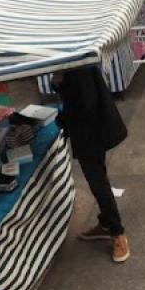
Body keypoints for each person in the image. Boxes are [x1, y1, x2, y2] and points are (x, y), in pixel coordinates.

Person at [53, 65, 131, 263]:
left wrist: (61, 87)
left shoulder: (77, 66)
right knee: (98, 179)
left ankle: (117, 233)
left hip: (90, 132)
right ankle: (106, 223)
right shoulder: (76, 59)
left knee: (98, 182)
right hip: (93, 129)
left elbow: (83, 103)